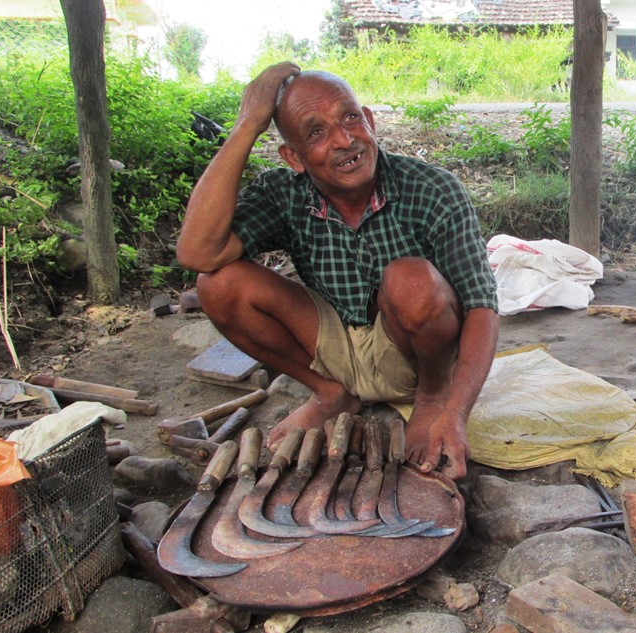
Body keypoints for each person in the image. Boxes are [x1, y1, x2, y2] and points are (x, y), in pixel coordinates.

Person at [176, 62, 499, 480]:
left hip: (416, 354)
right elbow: (198, 252)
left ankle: (431, 397)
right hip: (332, 345)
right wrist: (246, 126)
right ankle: (332, 394)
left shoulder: (432, 188)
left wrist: (454, 412)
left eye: (350, 118)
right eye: (316, 132)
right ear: (293, 157)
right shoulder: (283, 194)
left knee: (410, 280)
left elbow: (482, 307)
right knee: (217, 283)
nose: (345, 140)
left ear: (371, 120)